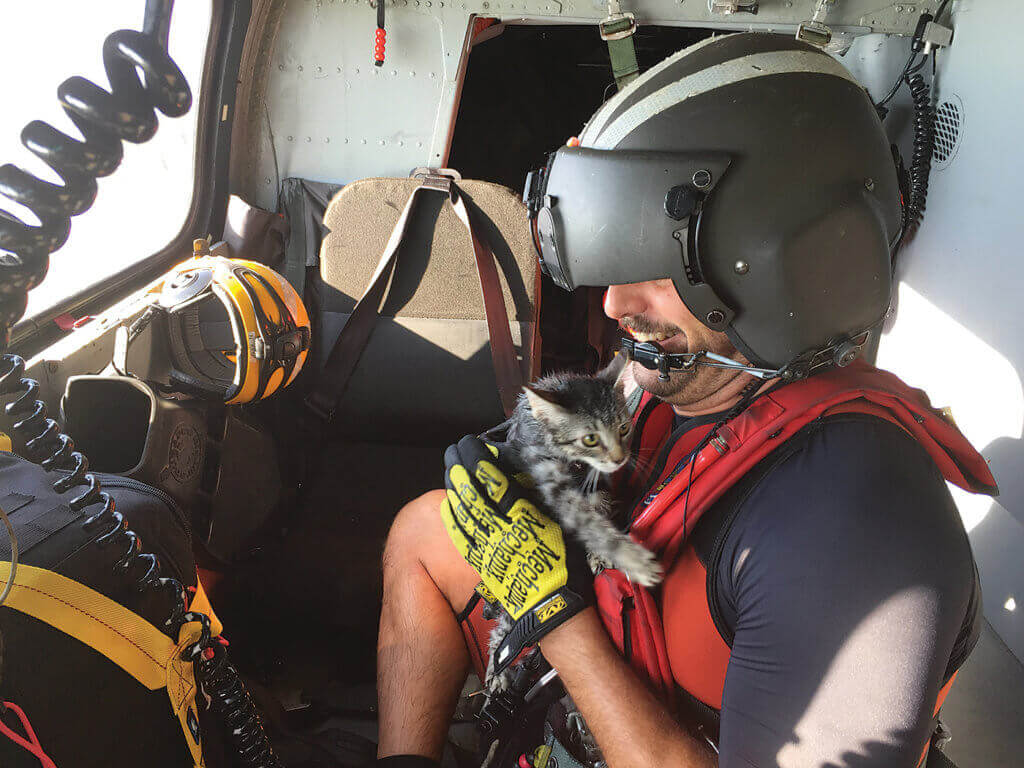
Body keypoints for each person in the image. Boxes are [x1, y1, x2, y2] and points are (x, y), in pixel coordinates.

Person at [375, 33, 996, 768]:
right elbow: (553, 442)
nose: (613, 305)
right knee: (425, 535)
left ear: (781, 264)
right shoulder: (691, 369)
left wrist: (555, 617)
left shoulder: (854, 528)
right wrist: (508, 473)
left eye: (655, 267)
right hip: (626, 660)